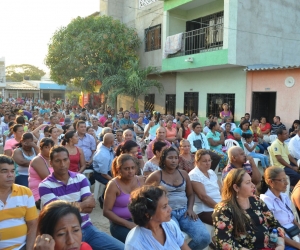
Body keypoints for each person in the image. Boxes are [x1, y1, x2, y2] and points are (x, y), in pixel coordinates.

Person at [39, 146, 124, 250]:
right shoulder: (45, 185)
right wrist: (83, 204)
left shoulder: (80, 178)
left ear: (69, 160)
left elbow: (90, 208)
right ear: (51, 163)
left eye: (65, 159)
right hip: (63, 233)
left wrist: (68, 206)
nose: (62, 164)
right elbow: (57, 214)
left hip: (87, 228)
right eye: (57, 161)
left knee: (122, 248)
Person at [145, 147, 211, 250]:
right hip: (167, 213)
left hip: (185, 211)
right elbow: (145, 197)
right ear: (163, 159)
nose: (174, 160)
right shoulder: (156, 176)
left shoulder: (183, 174)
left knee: (205, 238)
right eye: (170, 157)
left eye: (176, 157)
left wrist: (190, 208)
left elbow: (190, 194)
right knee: (173, 240)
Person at [213, 169, 285, 250]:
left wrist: (280, 245)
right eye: (248, 183)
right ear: (236, 187)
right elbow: (224, 243)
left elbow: (275, 225)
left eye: (251, 181)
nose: (253, 185)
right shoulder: (224, 209)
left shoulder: (256, 201)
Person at [125, 185, 191, 250]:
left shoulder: (170, 225)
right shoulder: (135, 244)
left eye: (167, 204)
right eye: (164, 207)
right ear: (148, 214)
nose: (170, 209)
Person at [103, 154, 145, 243]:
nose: (130, 171)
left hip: (139, 220)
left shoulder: (140, 180)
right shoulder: (113, 185)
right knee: (137, 242)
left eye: (133, 168)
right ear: (119, 169)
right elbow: (106, 211)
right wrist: (128, 224)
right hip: (119, 224)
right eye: (126, 169)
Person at [0, 155, 38, 250]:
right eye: (4, 171)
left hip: (22, 247)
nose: (10, 175)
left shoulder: (25, 192)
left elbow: (33, 224)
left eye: (12, 171)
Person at [260, 166, 300, 249]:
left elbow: (292, 219)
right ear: (271, 182)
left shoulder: (284, 196)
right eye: (282, 180)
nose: (287, 183)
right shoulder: (266, 201)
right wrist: (298, 245)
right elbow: (272, 231)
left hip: (294, 234)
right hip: (282, 240)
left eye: (286, 179)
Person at [189, 149, 221, 226]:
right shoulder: (194, 175)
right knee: (228, 220)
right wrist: (220, 208)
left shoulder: (211, 172)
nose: (208, 163)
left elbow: (222, 189)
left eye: (209, 160)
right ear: (197, 162)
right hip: (205, 210)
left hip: (219, 206)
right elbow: (203, 197)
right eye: (204, 161)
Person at [29, 138, 54, 208]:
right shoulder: (37, 160)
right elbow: (47, 178)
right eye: (46, 147)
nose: (50, 149)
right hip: (39, 193)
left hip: (52, 190)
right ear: (41, 148)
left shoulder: (53, 159)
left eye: (51, 147)